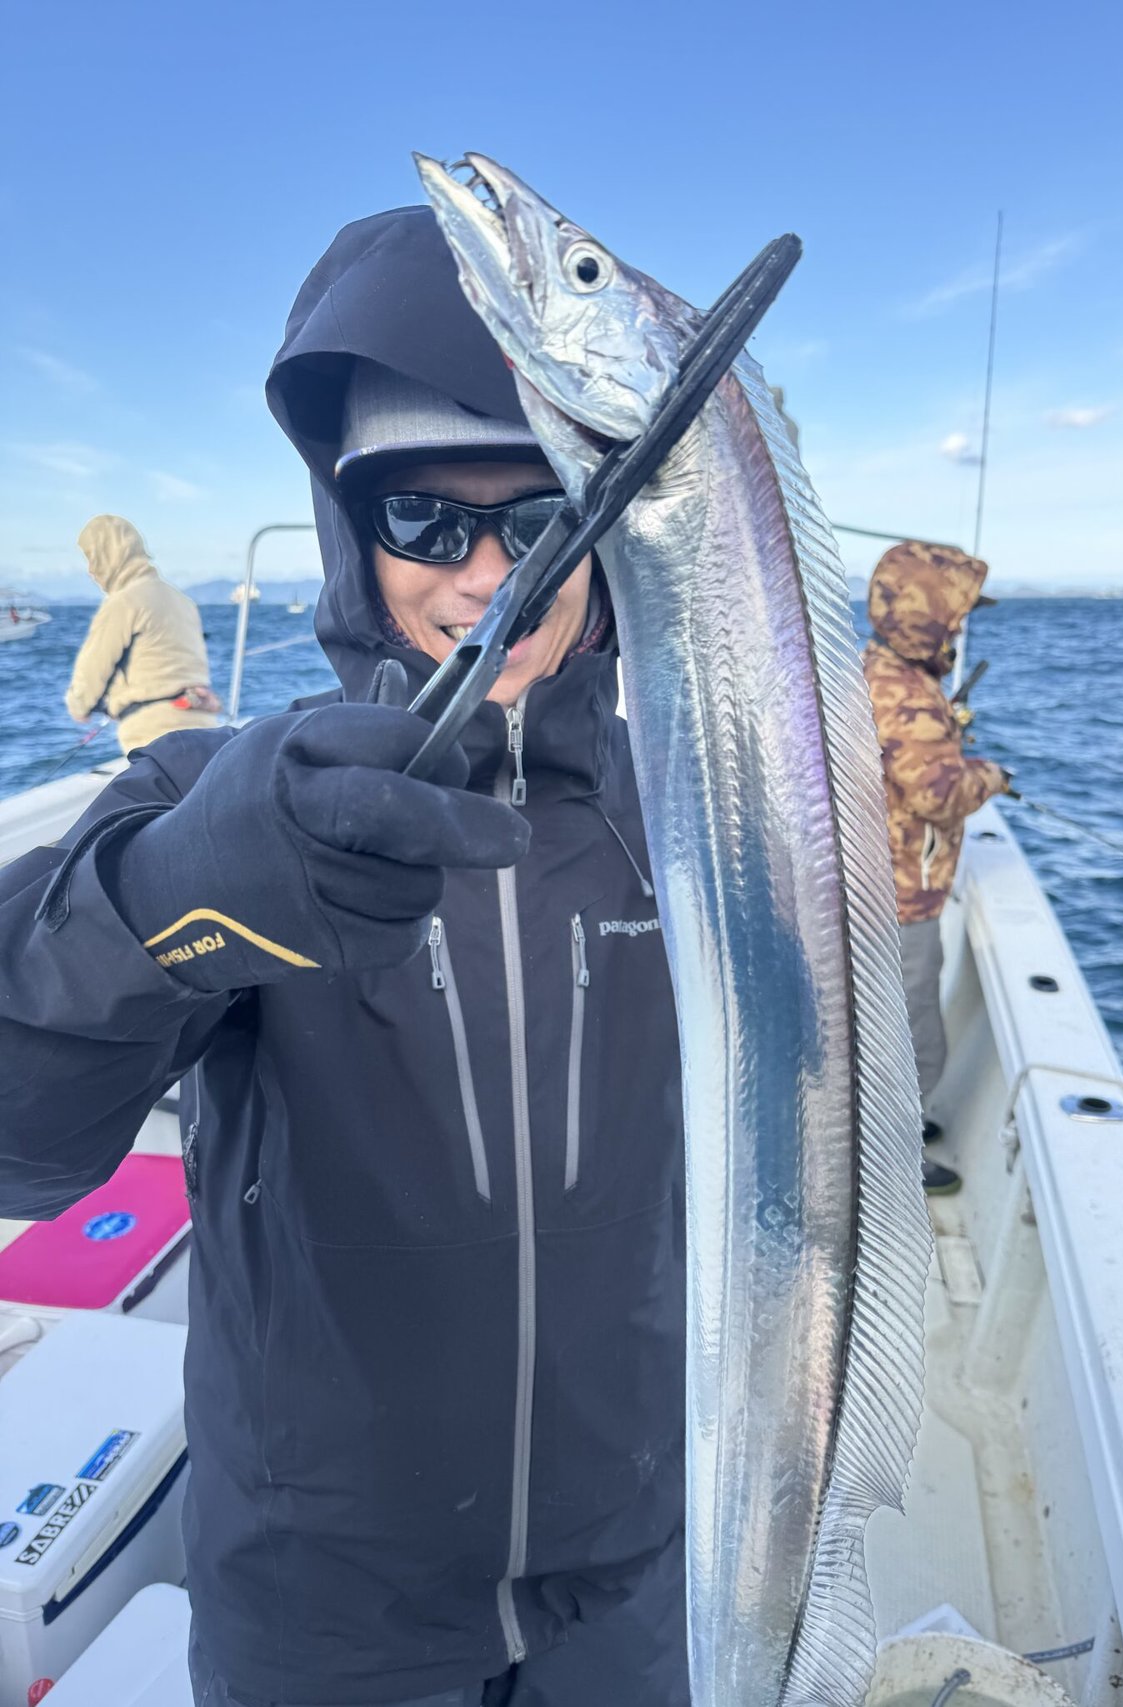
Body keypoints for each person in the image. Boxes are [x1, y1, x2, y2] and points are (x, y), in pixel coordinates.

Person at [0, 208, 687, 1706]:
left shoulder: (685, 819)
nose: (488, 576)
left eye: (543, 519)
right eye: (423, 519)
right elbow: (18, 1145)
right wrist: (167, 904)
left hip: (638, 1573)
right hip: (325, 1612)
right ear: (345, 524)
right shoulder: (208, 802)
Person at [862, 541, 1010, 1196]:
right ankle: (894, 1161)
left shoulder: (875, 670)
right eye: (953, 615)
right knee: (912, 1031)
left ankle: (884, 1135)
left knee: (880, 1023)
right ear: (926, 617)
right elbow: (939, 793)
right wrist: (991, 776)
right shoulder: (909, 697)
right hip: (902, 896)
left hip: (872, 884)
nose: (957, 628)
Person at [64, 515, 222, 753]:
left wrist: (79, 707)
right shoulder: (183, 601)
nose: (90, 571)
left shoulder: (123, 602)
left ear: (110, 555)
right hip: (205, 729)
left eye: (92, 558)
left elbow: (91, 673)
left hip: (154, 736)